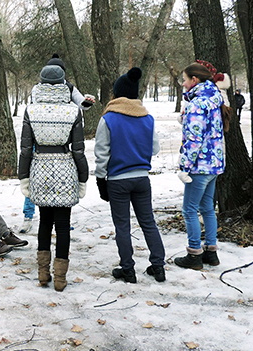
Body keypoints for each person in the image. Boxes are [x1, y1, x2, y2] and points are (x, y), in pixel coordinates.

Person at [19, 65, 89, 292]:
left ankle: (42, 274)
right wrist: (83, 177)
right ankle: (60, 278)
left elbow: (25, 150)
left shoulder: (31, 110)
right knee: (63, 225)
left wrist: (23, 177)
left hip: (39, 168)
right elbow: (78, 150)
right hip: (65, 169)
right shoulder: (73, 111)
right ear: (63, 83)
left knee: (44, 222)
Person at [94, 67, 166, 284]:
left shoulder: (108, 119)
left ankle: (128, 269)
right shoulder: (147, 118)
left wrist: (100, 180)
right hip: (142, 179)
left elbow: (101, 153)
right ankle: (158, 266)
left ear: (116, 94)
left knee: (122, 225)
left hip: (117, 181)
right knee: (148, 222)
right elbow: (154, 149)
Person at [20, 54, 96, 234]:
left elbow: (81, 103)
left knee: (36, 175)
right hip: (45, 138)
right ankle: (34, 215)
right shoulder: (39, 89)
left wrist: (87, 102)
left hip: (52, 137)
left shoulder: (67, 87)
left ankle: (53, 217)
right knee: (46, 178)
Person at [174, 62, 225, 270]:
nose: (184, 84)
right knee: (207, 209)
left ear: (194, 80)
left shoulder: (197, 104)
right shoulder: (214, 99)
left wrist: (184, 166)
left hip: (199, 165)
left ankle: (194, 254)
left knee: (189, 210)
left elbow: (194, 139)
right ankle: (211, 253)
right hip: (214, 164)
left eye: (185, 80)